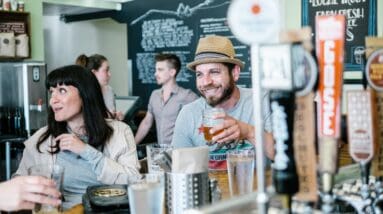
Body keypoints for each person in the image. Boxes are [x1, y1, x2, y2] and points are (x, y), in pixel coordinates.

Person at [14, 65, 140, 209]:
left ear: (85, 94)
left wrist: (86, 151)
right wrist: (36, 193)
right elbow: (18, 182)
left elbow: (134, 181)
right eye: (51, 92)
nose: (52, 100)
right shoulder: (40, 139)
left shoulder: (120, 132)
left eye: (62, 91)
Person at [171, 35, 274, 170]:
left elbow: (283, 155)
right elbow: (180, 169)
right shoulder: (188, 114)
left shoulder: (262, 101)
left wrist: (248, 131)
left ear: (235, 73)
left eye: (214, 72)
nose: (206, 82)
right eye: (199, 74)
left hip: (253, 189)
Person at [134, 53, 198, 145]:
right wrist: (133, 145)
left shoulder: (187, 96)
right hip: (161, 153)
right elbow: (147, 123)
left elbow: (203, 118)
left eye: (160, 70)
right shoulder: (154, 95)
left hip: (181, 153)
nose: (155, 74)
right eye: (156, 70)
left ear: (172, 72)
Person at [75, 54, 124, 120]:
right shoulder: (81, 94)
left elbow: (111, 115)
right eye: (106, 70)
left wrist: (115, 116)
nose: (110, 74)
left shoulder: (109, 90)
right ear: (93, 73)